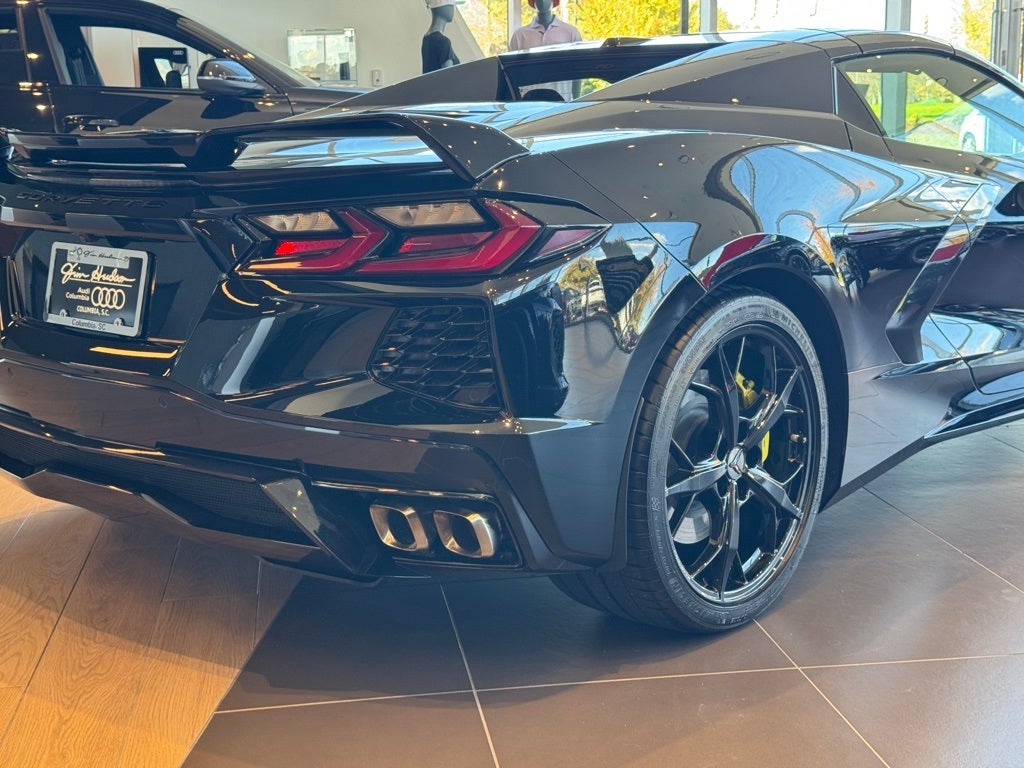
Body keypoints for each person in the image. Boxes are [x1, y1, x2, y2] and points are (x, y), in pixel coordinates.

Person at [508, 0, 582, 100]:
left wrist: (577, 101)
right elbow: (511, 74)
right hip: (528, 102)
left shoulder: (570, 33)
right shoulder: (520, 35)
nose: (542, 1)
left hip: (562, 103)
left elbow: (578, 72)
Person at [422, 0, 463, 74]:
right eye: (451, 4)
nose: (453, 8)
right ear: (443, 7)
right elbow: (449, 77)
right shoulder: (443, 41)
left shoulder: (427, 39)